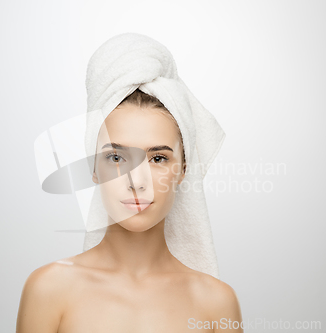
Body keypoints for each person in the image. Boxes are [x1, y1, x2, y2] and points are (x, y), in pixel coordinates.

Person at [16, 34, 243, 333]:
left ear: (184, 170)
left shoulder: (216, 303)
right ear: (93, 168)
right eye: (116, 158)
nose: (137, 181)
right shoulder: (48, 290)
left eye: (158, 159)